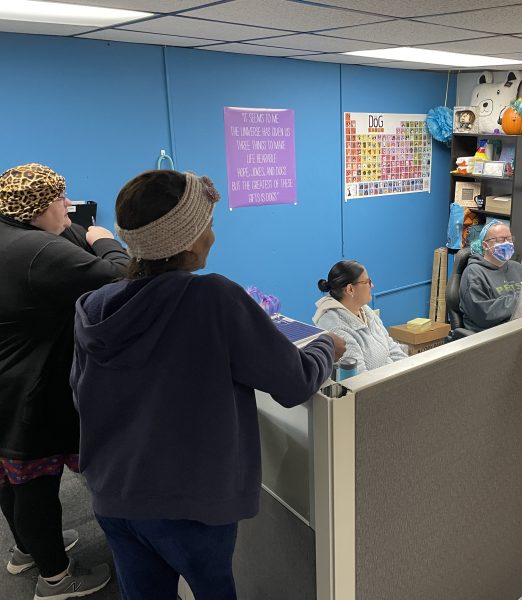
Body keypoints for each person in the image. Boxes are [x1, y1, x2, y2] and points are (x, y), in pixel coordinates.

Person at [70, 169, 345, 600]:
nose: (213, 237)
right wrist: (326, 346)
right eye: (208, 226)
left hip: (114, 497)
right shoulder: (212, 298)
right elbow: (293, 382)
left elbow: (80, 394)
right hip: (190, 507)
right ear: (187, 238)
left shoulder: (93, 307)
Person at [0, 163, 128, 599]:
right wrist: (102, 238)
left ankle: (26, 550)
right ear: (37, 207)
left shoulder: (9, 236)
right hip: (27, 392)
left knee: (10, 478)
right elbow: (119, 276)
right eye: (60, 199)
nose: (67, 207)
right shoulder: (37, 250)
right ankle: (56, 578)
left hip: (5, 383)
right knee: (36, 483)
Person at [313, 260, 406, 374]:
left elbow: (391, 348)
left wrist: (410, 370)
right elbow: (360, 380)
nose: (372, 285)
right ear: (350, 289)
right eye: (367, 282)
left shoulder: (365, 311)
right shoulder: (335, 328)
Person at [458, 220, 522, 332]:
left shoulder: (517, 268)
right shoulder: (474, 273)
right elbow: (483, 314)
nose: (507, 243)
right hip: (490, 335)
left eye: (509, 239)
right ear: (485, 245)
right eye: (500, 240)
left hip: (519, 327)